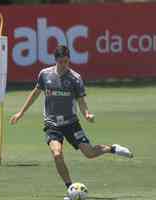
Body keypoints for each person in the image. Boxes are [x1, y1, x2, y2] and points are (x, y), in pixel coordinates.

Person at [9, 45, 133, 199]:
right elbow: (35, 93)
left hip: (71, 123)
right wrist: (21, 113)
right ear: (55, 60)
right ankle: (70, 189)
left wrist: (87, 114)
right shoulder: (45, 74)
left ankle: (112, 148)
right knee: (57, 154)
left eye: (66, 61)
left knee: (89, 153)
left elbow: (81, 101)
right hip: (52, 124)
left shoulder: (75, 78)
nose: (64, 65)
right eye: (61, 62)